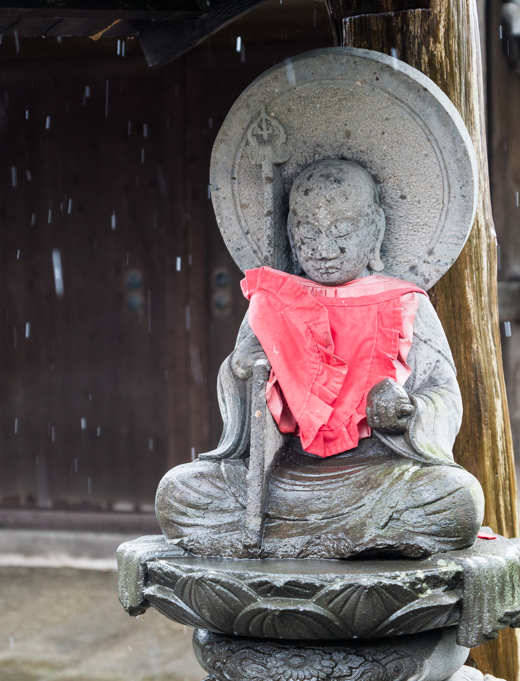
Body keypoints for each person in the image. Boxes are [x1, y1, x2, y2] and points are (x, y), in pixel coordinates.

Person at [155, 159, 484, 560]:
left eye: (341, 231)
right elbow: (246, 414)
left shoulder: (405, 303)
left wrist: (407, 411)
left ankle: (293, 541)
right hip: (283, 478)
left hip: (375, 475)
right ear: (291, 235)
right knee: (179, 491)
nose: (324, 249)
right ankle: (348, 541)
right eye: (308, 233)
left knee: (457, 500)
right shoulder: (274, 302)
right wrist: (242, 373)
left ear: (375, 229)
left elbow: (443, 394)